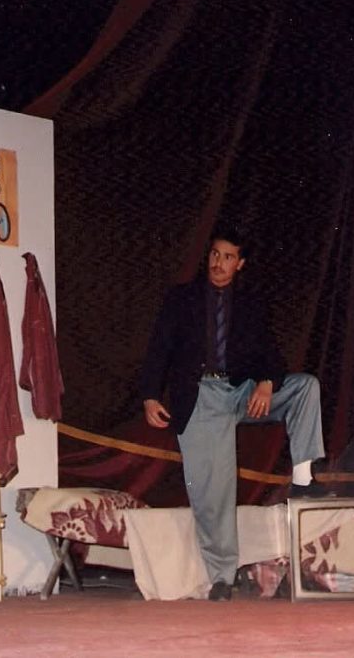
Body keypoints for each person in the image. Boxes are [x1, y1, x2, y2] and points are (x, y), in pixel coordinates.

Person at [139, 223, 327, 602]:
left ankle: (303, 479)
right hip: (201, 397)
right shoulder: (182, 298)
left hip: (239, 391)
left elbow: (271, 353)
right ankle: (222, 576)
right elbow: (159, 348)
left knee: (305, 387)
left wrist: (267, 383)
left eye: (228, 257)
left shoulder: (250, 304)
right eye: (215, 254)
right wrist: (149, 396)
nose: (218, 263)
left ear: (240, 264)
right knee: (214, 493)